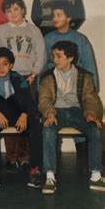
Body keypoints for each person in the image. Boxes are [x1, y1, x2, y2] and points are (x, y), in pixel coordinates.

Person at [39, 40, 104, 194]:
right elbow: (44, 99)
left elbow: (90, 99)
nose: (54, 59)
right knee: (48, 131)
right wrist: (49, 113)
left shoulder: (85, 76)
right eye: (53, 56)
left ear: (70, 58)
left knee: (95, 129)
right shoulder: (47, 77)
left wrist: (91, 114)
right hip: (57, 112)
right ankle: (49, 176)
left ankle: (96, 174)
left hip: (78, 112)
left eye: (58, 56)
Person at [0, 0, 46, 172]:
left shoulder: (33, 30)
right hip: (7, 78)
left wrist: (35, 73)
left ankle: (25, 155)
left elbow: (41, 54)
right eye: (8, 10)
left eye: (16, 9)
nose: (13, 13)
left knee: (26, 116)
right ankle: (12, 156)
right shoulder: (0, 31)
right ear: (5, 14)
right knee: (8, 115)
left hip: (27, 78)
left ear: (23, 10)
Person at [0, 47, 42, 190]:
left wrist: (24, 114)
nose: (1, 68)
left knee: (36, 126)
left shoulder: (19, 79)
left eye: (5, 64)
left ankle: (34, 170)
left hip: (17, 114)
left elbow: (29, 102)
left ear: (11, 65)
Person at [45, 2, 98, 89]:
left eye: (58, 15)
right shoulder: (48, 38)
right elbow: (44, 66)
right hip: (54, 86)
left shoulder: (81, 39)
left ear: (69, 18)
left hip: (76, 85)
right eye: (53, 15)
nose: (54, 19)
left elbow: (89, 66)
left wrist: (92, 89)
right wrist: (40, 89)